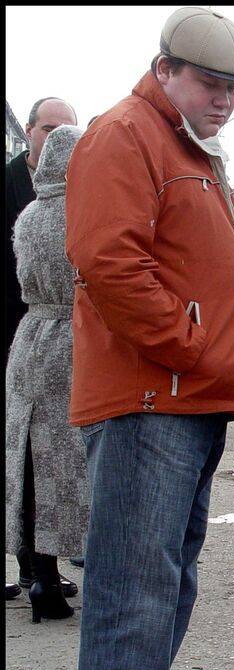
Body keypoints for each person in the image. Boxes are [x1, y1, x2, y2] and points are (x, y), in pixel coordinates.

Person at [67, 6, 234, 670]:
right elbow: (107, 261)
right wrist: (190, 344)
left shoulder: (175, 142)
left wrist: (201, 356)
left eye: (232, 90)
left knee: (163, 581)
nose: (222, 100)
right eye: (209, 84)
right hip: (156, 394)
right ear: (165, 69)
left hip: (182, 395)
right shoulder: (126, 134)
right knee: (136, 584)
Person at [5, 125, 89, 622]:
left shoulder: (29, 216)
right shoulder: (82, 213)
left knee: (28, 461)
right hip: (74, 340)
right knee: (71, 464)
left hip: (29, 338)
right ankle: (64, 575)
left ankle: (39, 573)